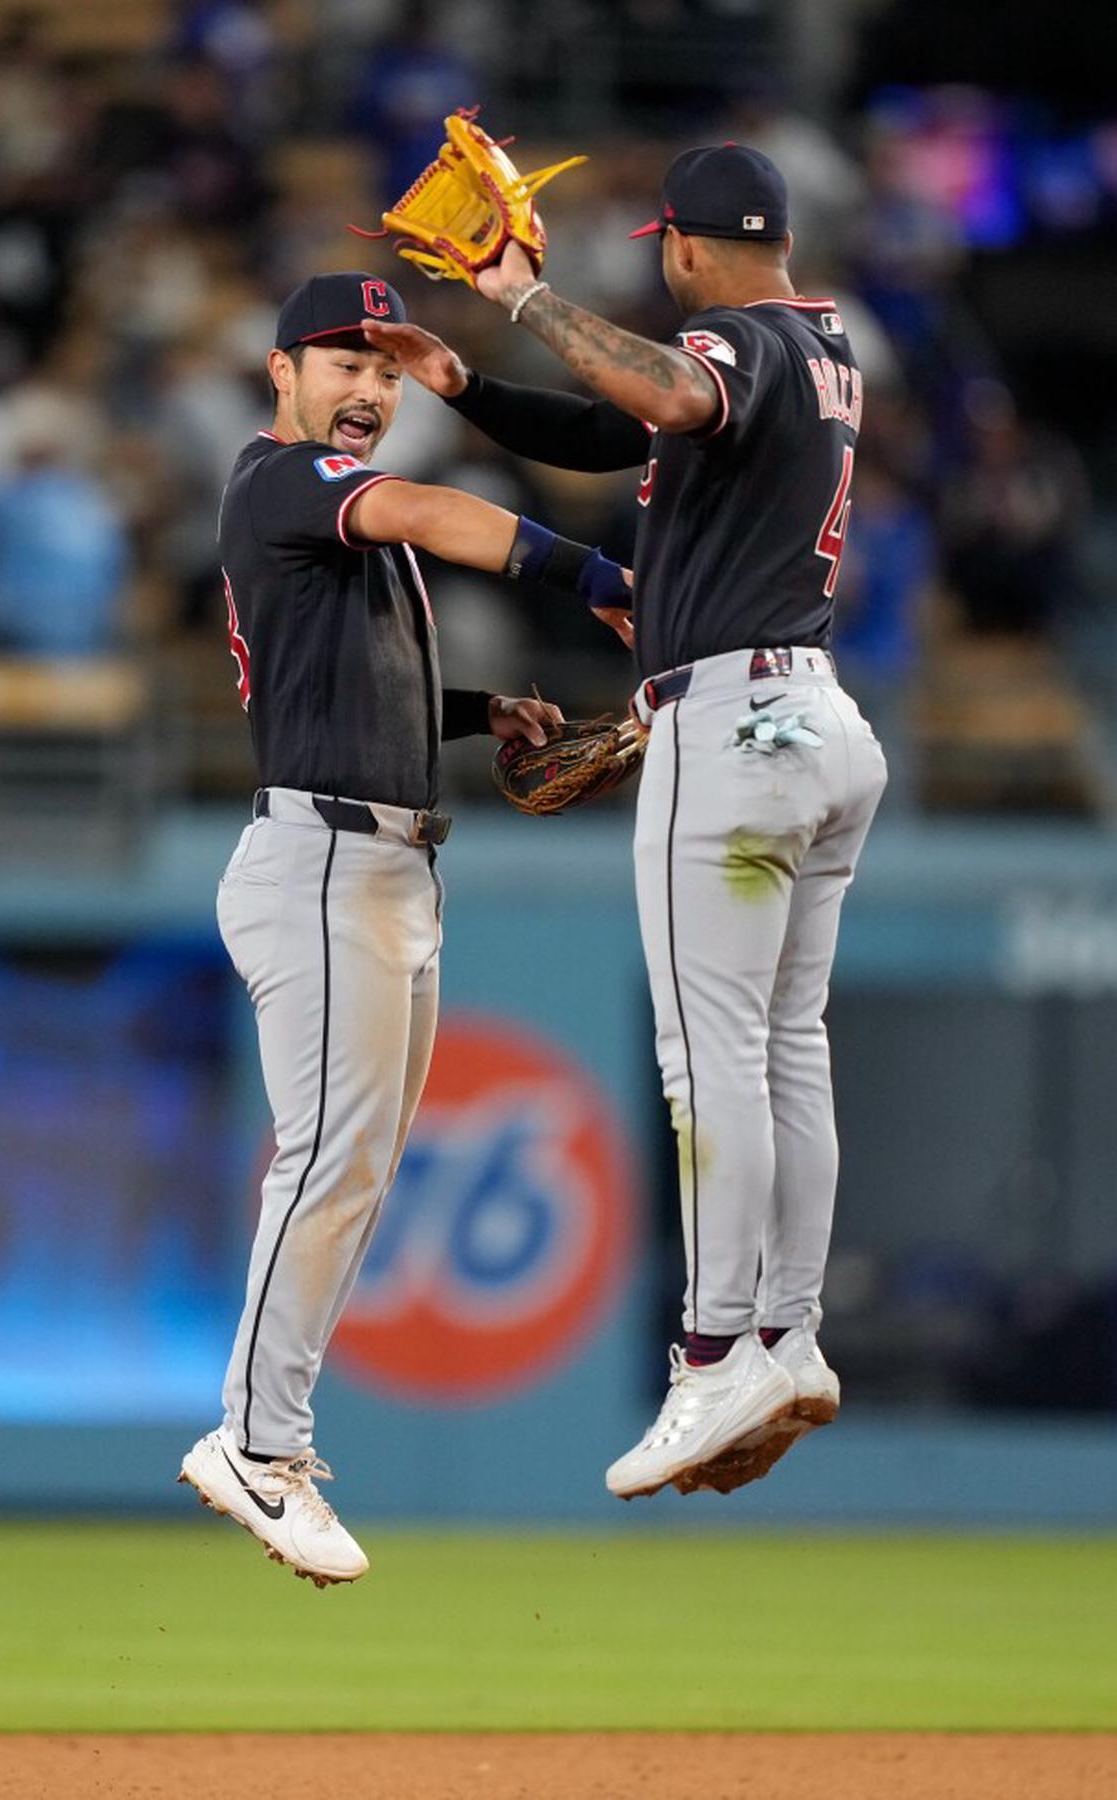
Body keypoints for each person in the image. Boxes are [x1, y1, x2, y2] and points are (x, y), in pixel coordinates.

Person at [364, 146, 888, 1500]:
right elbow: (618, 428)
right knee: (784, 1046)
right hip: (819, 721)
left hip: (734, 727)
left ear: (686, 248)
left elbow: (659, 384)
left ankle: (714, 1358)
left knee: (704, 1054)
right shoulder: (824, 346)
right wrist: (473, 382)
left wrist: (526, 296)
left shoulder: (733, 341)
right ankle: (790, 1336)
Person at [179, 271, 631, 1582]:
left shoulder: (334, 530)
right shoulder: (279, 477)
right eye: (341, 360)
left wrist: (478, 709)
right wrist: (586, 566)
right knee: (327, 1158)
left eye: (382, 365)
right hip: (323, 862)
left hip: (384, 864)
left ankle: (268, 1436)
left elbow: (334, 684)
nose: (368, 388)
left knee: (359, 1167)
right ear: (281, 374)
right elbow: (435, 512)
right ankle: (254, 1446)